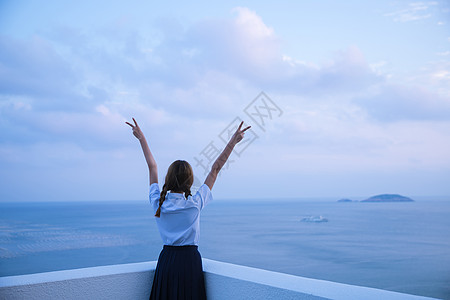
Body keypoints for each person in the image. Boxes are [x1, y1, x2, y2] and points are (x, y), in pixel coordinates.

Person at [126, 118, 251, 300]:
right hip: (189, 262)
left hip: (167, 261)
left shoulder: (158, 202)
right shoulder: (194, 204)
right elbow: (215, 169)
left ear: (168, 179)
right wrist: (233, 141)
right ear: (190, 181)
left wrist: (141, 138)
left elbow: (152, 166)